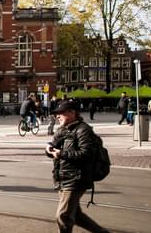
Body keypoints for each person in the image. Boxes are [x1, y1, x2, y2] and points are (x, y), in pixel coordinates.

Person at [45, 100, 109, 233]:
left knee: (63, 216)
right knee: (76, 215)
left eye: (61, 113)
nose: (57, 116)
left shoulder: (83, 130)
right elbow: (53, 146)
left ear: (72, 113)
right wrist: (48, 149)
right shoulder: (62, 129)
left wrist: (61, 154)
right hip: (62, 177)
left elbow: (86, 154)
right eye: (56, 114)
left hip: (76, 178)